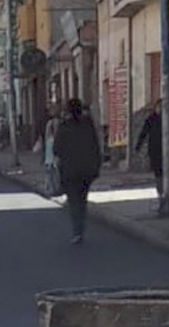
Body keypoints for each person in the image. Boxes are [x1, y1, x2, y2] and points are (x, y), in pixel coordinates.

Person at [54, 98, 102, 245]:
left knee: (74, 201)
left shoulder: (64, 127)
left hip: (70, 171)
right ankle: (80, 227)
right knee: (82, 199)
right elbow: (95, 146)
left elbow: (56, 149)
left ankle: (77, 231)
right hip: (87, 170)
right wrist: (96, 166)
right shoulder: (88, 125)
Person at [133, 99, 169, 195]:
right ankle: (161, 192)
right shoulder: (151, 119)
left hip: (168, 149)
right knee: (158, 172)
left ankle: (167, 192)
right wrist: (138, 146)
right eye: (159, 107)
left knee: (168, 170)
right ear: (156, 108)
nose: (160, 109)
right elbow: (143, 133)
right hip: (154, 149)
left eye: (162, 107)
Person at [42, 102, 62, 198]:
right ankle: (54, 189)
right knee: (54, 171)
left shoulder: (50, 123)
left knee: (51, 171)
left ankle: (51, 189)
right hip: (53, 149)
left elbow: (46, 136)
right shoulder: (57, 122)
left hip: (51, 149)